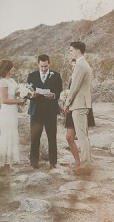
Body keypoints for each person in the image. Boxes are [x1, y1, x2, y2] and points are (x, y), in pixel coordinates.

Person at [62, 41, 93, 176]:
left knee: (81, 136)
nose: (70, 53)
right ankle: (85, 164)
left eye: (71, 50)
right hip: (82, 104)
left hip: (79, 105)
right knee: (83, 136)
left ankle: (85, 166)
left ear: (78, 51)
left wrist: (67, 103)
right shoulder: (84, 64)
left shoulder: (80, 65)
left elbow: (74, 87)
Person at [0, 59, 25, 176]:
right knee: (7, 138)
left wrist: (23, 96)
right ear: (7, 69)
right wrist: (18, 101)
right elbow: (4, 100)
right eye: (12, 67)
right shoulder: (3, 82)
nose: (14, 69)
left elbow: (16, 94)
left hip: (13, 113)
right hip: (7, 114)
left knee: (12, 137)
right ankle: (4, 168)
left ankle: (8, 166)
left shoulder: (12, 80)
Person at [27, 54, 62, 169]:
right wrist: (33, 94)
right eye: (41, 66)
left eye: (46, 66)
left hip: (50, 112)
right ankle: (34, 162)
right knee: (35, 137)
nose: (43, 69)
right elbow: (27, 92)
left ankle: (53, 163)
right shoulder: (31, 76)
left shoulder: (56, 76)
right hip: (36, 112)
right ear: (38, 64)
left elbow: (59, 92)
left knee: (52, 137)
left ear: (49, 63)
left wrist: (53, 95)